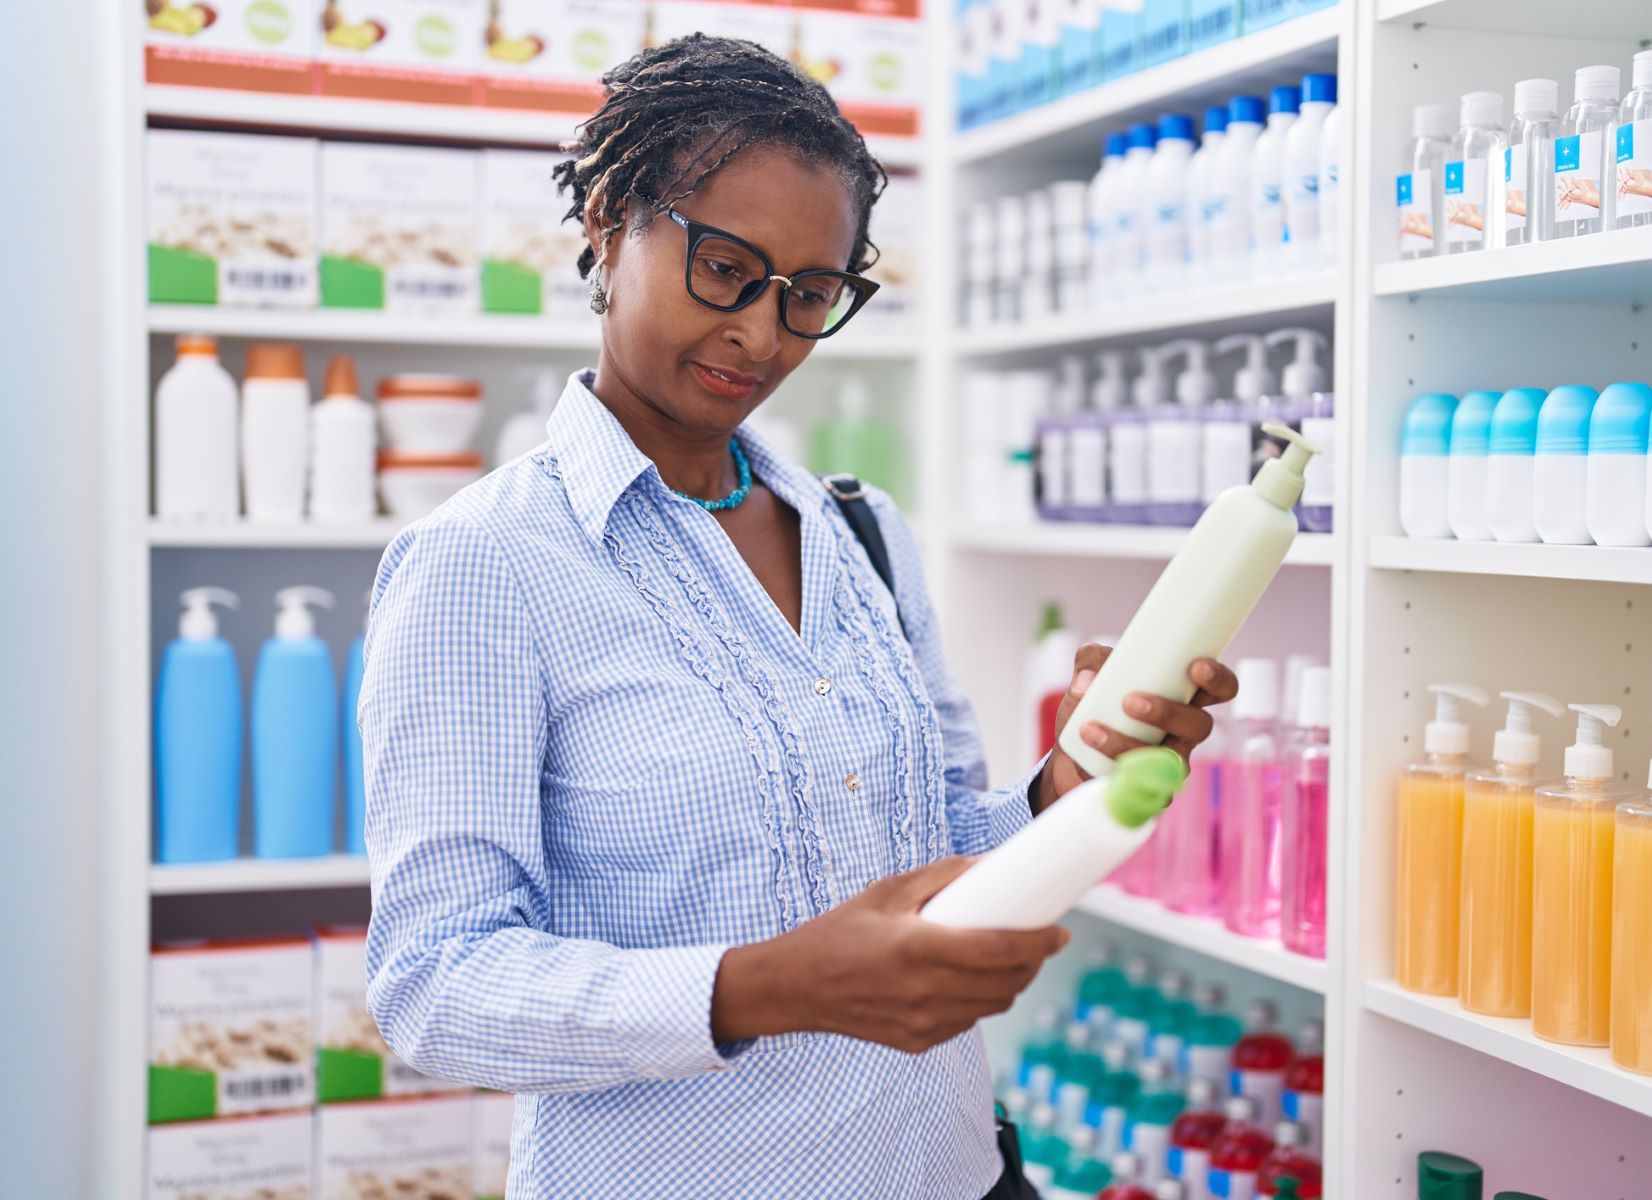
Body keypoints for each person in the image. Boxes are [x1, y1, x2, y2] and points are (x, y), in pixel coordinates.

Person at [359, 34, 1236, 1199]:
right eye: (725, 268)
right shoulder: (484, 566)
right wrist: (768, 986)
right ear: (613, 224)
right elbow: (434, 985)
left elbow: (933, 857)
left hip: (957, 1172)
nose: (763, 335)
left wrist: (1061, 794)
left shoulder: (861, 534)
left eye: (810, 295)